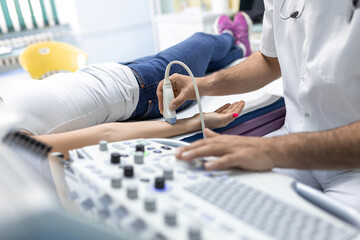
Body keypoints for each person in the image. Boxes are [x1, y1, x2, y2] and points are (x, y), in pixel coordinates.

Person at [158, 8, 360, 211]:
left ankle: (231, 40)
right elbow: (270, 60)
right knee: (217, 202)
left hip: (351, 165)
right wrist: (204, 84)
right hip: (292, 144)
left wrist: (274, 150)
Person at [0, 17, 251, 156]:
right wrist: (196, 121)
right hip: (142, 89)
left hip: (115, 71)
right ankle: (232, 38)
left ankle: (238, 49)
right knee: (203, 42)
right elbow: (107, 134)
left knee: (205, 60)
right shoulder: (11, 138)